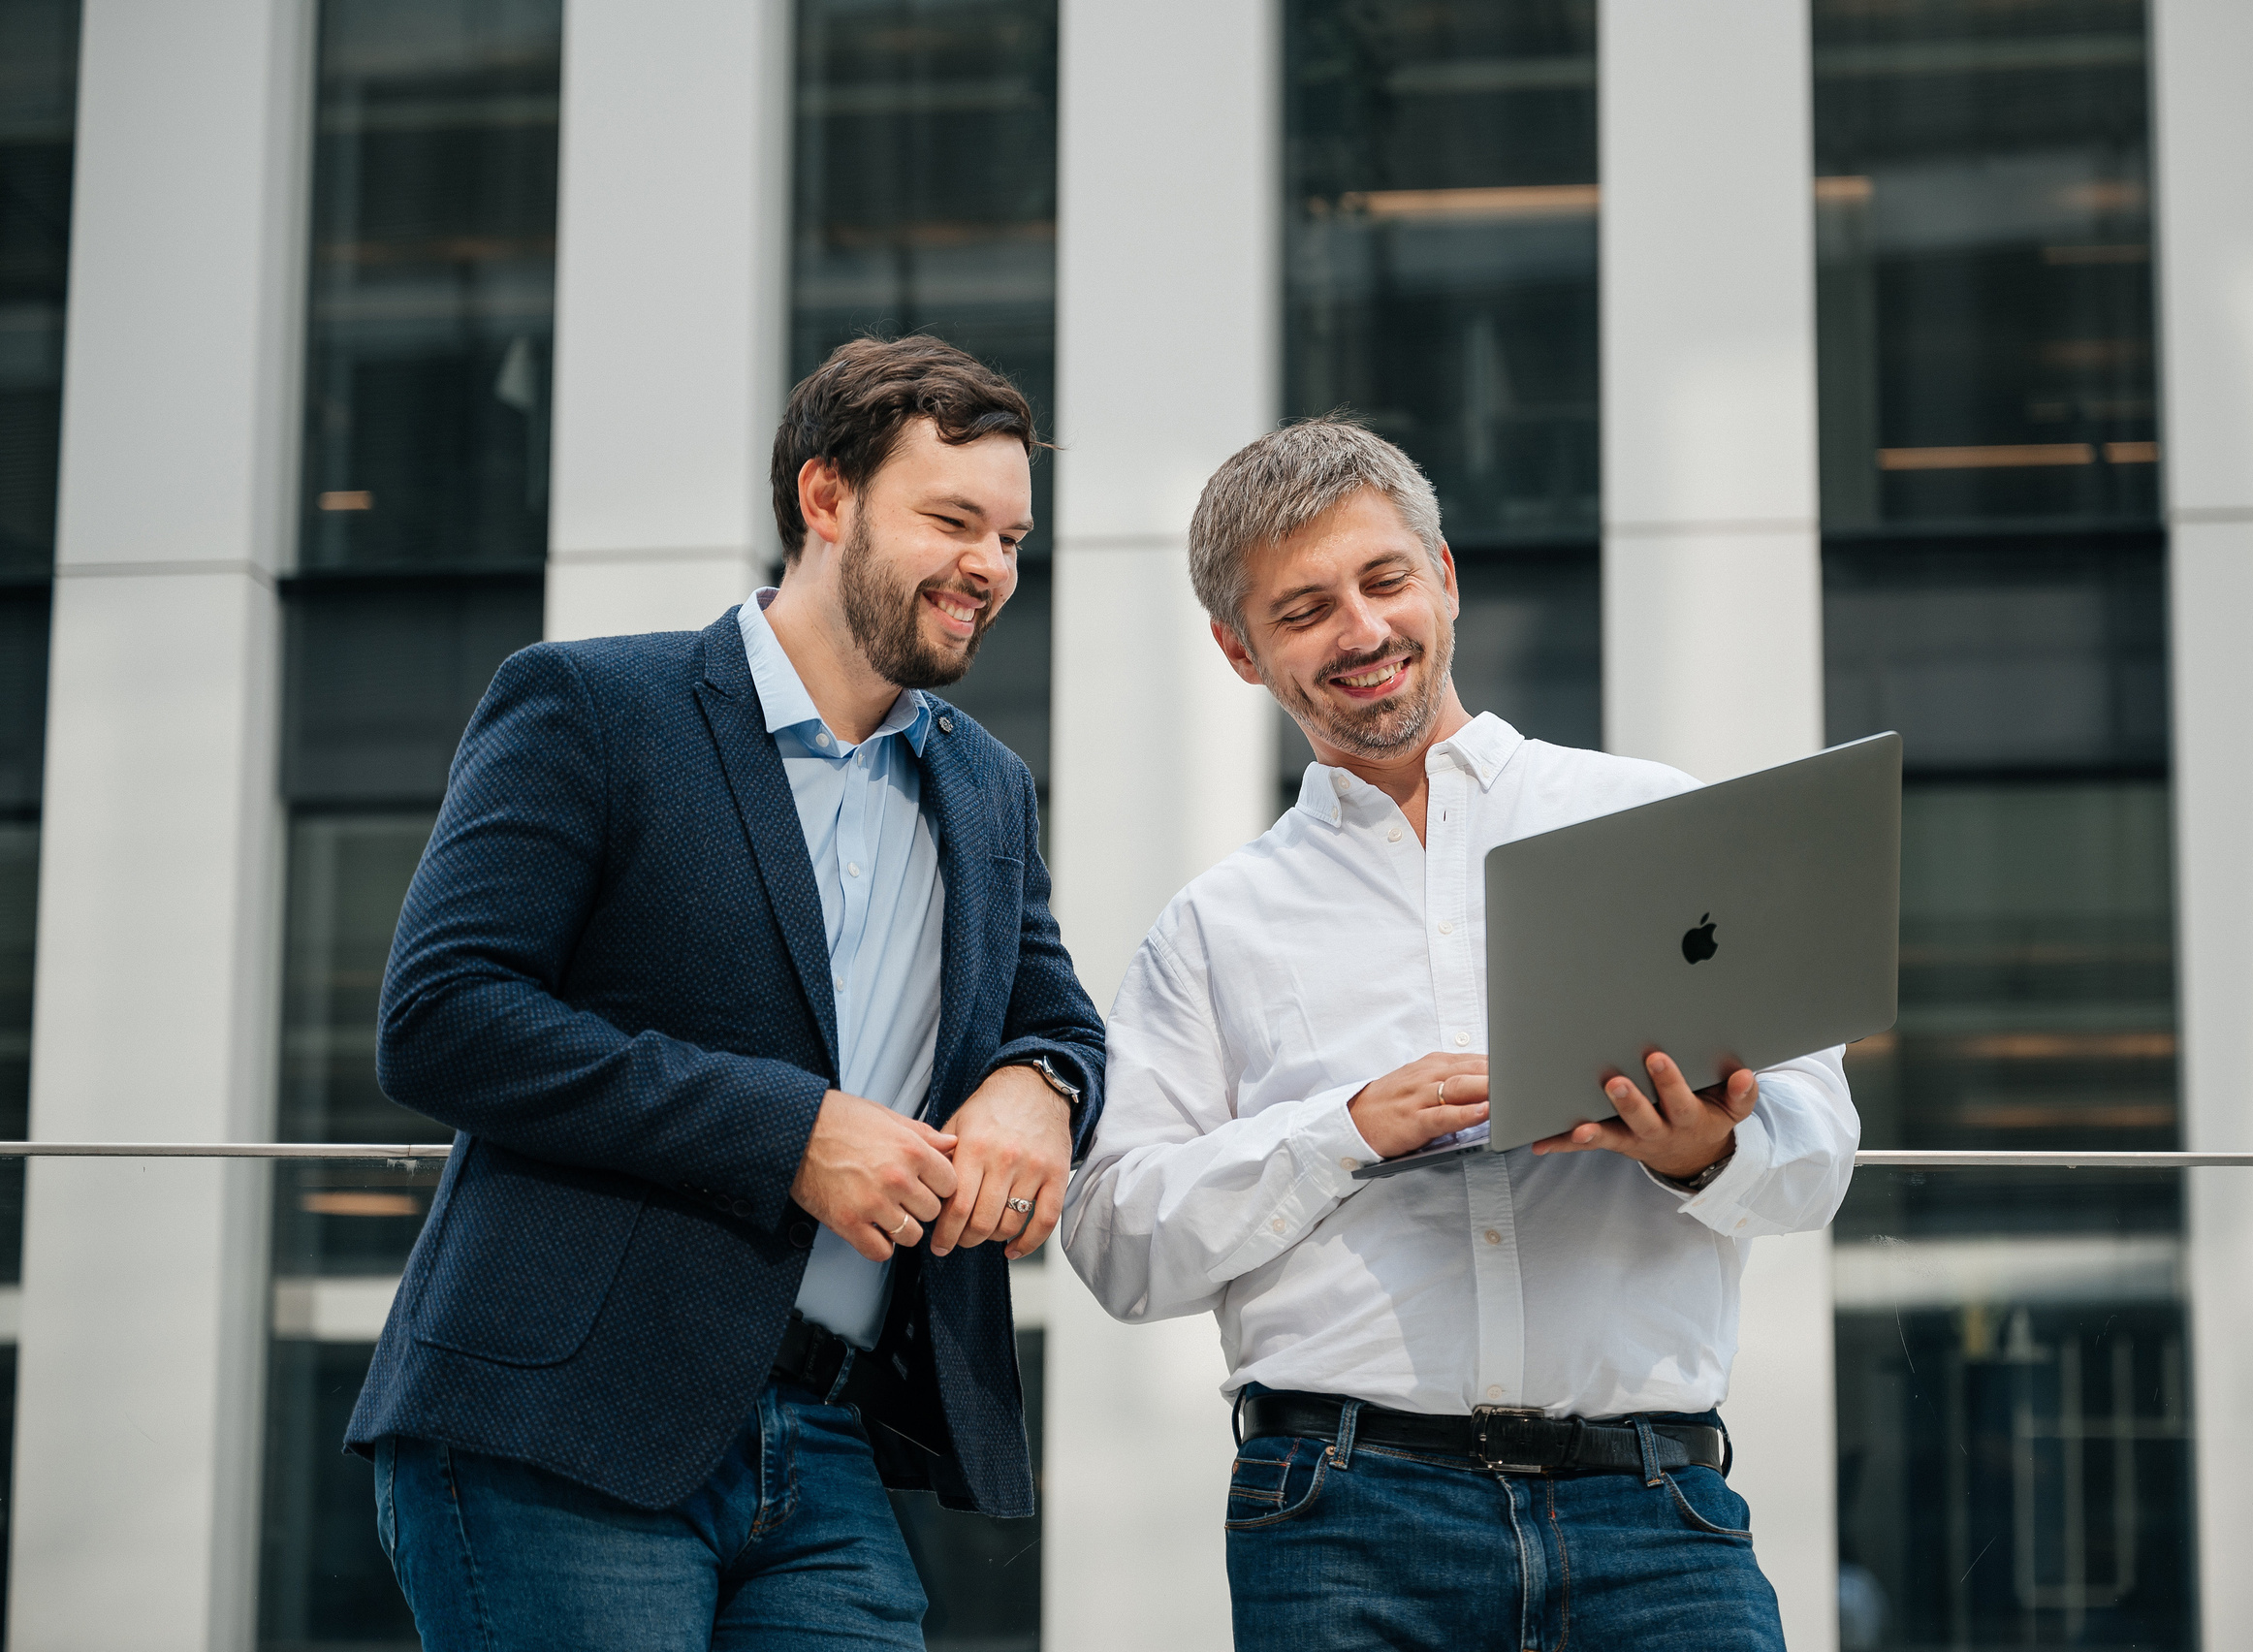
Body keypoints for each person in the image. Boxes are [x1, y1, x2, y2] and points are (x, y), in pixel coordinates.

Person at [348, 335, 1103, 1650]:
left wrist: (1041, 1088)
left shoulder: (985, 785)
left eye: (1012, 536)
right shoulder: (592, 705)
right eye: (951, 520)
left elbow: (1053, 1017)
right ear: (826, 500)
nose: (991, 565)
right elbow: (443, 1014)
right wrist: (793, 1132)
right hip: (564, 1418)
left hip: (831, 1436)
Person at [1060, 418, 1857, 1651]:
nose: (1363, 631)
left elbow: (1817, 1159)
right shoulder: (1212, 930)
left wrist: (1701, 1153)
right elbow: (1116, 1245)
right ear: (1237, 649)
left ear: (1445, 577)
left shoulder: (1662, 825)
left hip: (1654, 1512)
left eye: (1384, 580)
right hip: (1341, 1518)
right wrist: (1341, 1132)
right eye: (1305, 607)